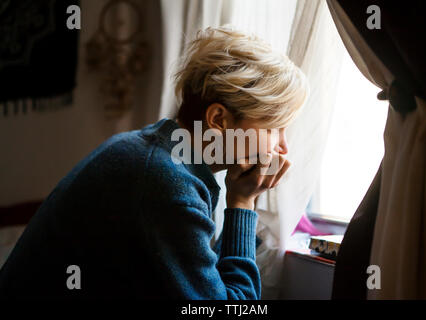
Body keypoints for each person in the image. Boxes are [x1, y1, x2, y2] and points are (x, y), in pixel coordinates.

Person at [0, 26, 308, 299]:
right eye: (274, 129)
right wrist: (242, 203)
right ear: (219, 120)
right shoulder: (165, 182)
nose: (282, 146)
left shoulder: (152, 152)